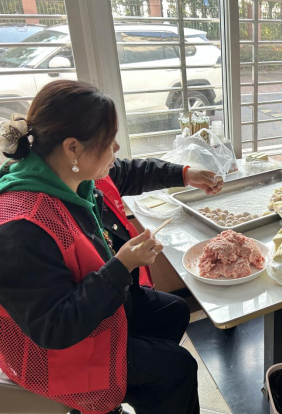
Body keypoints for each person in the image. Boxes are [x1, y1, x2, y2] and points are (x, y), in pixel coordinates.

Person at [0, 80, 223, 414]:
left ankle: (143, 396)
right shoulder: (21, 227)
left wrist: (185, 174)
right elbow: (53, 328)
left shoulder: (68, 174)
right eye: (109, 141)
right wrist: (121, 266)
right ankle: (126, 393)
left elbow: (128, 172)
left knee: (174, 311)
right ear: (73, 148)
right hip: (55, 351)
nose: (116, 148)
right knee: (177, 368)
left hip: (92, 308)